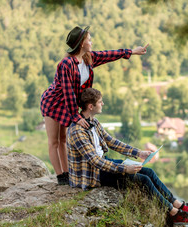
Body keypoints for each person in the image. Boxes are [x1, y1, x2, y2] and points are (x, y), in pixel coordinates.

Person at [67, 88, 188, 225]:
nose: (102, 104)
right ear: (91, 106)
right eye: (100, 102)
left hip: (102, 164)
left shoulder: (93, 122)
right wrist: (124, 169)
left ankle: (177, 204)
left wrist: (138, 153)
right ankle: (173, 213)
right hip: (91, 174)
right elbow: (94, 161)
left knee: (148, 171)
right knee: (143, 180)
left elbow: (111, 141)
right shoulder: (77, 131)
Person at [40, 26, 148, 185]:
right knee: (54, 141)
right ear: (81, 43)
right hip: (54, 102)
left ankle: (68, 172)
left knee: (63, 139)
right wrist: (75, 116)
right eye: (89, 39)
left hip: (68, 104)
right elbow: (68, 91)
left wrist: (131, 51)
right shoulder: (66, 64)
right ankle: (60, 175)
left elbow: (108, 55)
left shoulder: (88, 58)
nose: (91, 42)